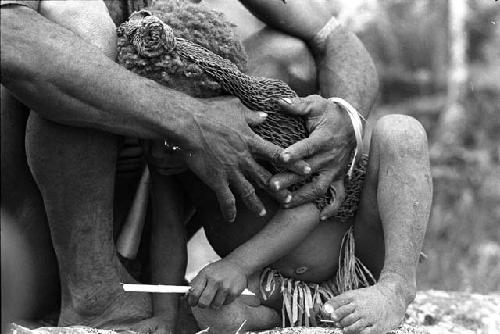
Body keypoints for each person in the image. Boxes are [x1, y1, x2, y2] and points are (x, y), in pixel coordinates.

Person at [0, 0, 351, 330]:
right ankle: (94, 294)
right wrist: (189, 120)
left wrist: (345, 122)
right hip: (22, 250)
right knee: (79, 17)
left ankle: (252, 279)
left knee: (284, 53)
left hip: (143, 238)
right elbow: (11, 35)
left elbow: (334, 38)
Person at [137, 1, 432, 334]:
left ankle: (394, 287)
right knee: (210, 310)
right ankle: (290, 317)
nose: (163, 145)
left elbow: (315, 201)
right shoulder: (168, 152)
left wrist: (235, 264)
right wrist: (164, 314)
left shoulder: (260, 121)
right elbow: (167, 230)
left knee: (402, 133)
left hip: (354, 257)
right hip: (269, 288)